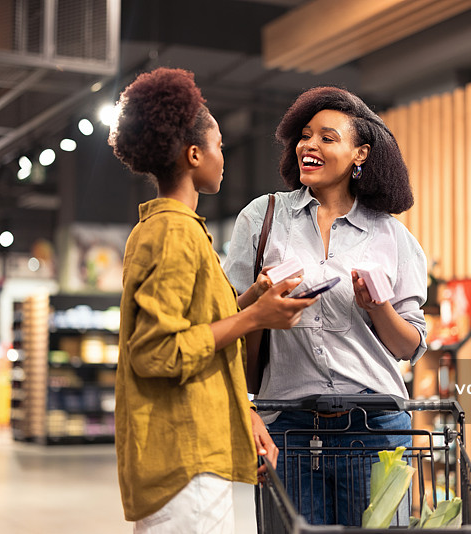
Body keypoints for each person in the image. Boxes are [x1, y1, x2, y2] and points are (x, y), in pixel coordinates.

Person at [108, 67, 316, 534]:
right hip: (183, 458)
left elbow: (202, 327)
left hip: (195, 448)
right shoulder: (173, 232)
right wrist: (256, 318)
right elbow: (157, 351)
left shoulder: (171, 229)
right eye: (220, 146)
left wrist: (254, 298)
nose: (224, 156)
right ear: (194, 154)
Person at [224, 86, 427, 526]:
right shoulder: (262, 218)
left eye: (327, 137)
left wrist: (378, 307)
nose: (308, 145)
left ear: (360, 154)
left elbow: (410, 345)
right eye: (304, 135)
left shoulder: (392, 236)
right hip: (289, 429)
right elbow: (225, 316)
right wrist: (258, 297)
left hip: (374, 429)